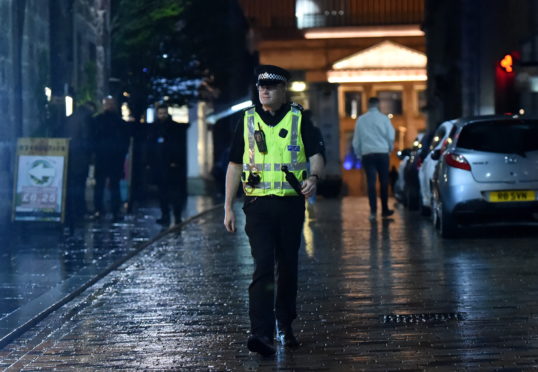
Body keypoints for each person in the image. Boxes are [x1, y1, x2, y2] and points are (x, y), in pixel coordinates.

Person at [223, 65, 325, 356]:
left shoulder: (299, 118)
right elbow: (234, 165)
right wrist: (228, 206)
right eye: (261, 87)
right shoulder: (246, 120)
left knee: (288, 266)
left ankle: (285, 322)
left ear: (283, 90)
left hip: (290, 204)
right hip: (257, 205)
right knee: (263, 266)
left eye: (271, 87)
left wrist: (313, 178)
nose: (264, 91)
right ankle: (261, 333)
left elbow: (318, 154)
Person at [352, 96, 395, 220]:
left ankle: (373, 211)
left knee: (370, 183)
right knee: (384, 182)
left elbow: (356, 140)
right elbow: (391, 136)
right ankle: (385, 209)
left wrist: (359, 154)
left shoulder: (361, 120)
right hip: (382, 153)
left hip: (367, 154)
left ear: (368, 105)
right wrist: (389, 149)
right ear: (378, 105)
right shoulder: (384, 119)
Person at [148, 104, 189, 226]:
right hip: (160, 166)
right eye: (160, 113)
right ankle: (166, 215)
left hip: (172, 166)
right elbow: (150, 147)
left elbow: (178, 147)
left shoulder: (174, 128)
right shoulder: (155, 128)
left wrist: (176, 161)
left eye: (164, 113)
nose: (162, 115)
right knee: (163, 192)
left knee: (174, 192)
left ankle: (176, 215)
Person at [91, 96, 129, 221]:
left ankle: (108, 210)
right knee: (106, 186)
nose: (109, 106)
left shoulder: (101, 121)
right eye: (108, 104)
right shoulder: (114, 121)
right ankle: (105, 210)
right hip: (108, 158)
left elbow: (125, 141)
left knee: (110, 186)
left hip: (110, 158)